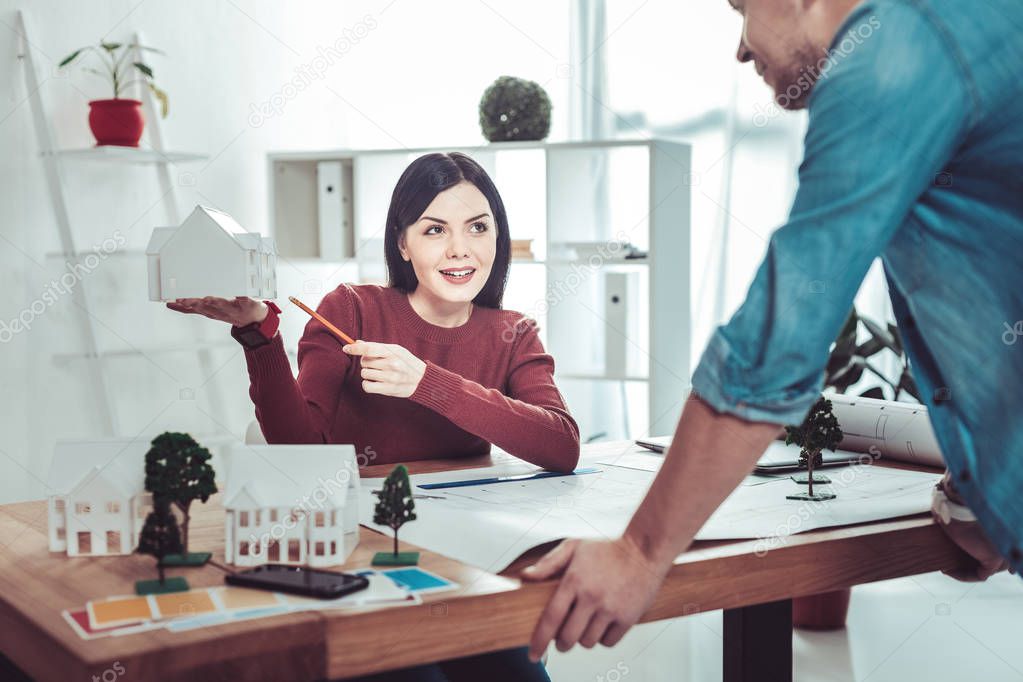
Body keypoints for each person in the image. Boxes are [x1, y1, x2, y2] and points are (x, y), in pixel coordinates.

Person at [524, 0, 1023, 661]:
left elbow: (775, 343)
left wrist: (638, 554)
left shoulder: (890, 52)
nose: (739, 47)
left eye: (740, 8)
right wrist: (988, 484)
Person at [170, 151, 579, 681]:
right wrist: (258, 333)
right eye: (435, 230)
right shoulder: (351, 309)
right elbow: (303, 455)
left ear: (497, 238)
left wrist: (427, 383)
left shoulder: (513, 331)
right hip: (362, 561)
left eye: (478, 227)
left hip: (465, 562)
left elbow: (562, 444)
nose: (461, 249)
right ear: (403, 243)